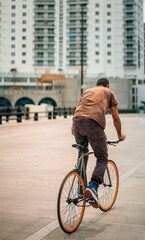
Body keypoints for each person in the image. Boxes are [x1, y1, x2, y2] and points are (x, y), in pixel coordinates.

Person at [72, 78, 126, 208]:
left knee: (82, 153)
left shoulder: (87, 91)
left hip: (76, 123)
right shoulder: (109, 92)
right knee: (102, 157)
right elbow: (115, 117)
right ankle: (93, 186)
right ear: (107, 85)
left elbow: (80, 110)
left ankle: (81, 188)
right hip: (93, 124)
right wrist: (120, 135)